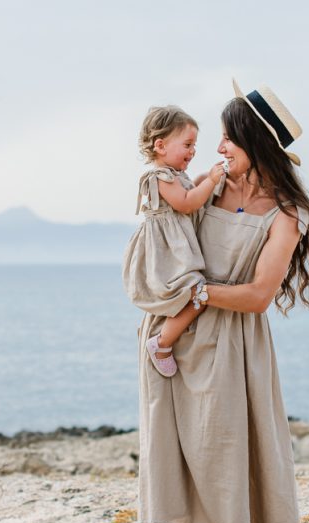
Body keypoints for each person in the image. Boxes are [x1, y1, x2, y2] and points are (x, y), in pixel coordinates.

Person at [139, 79, 309, 523]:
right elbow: (164, 238)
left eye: (228, 137)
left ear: (255, 142)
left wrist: (198, 294)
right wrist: (173, 306)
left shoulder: (286, 213)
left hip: (232, 341)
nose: (219, 147)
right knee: (171, 452)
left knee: (226, 452)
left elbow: (258, 295)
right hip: (170, 334)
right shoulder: (207, 187)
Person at [122, 105, 226, 377]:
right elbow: (187, 203)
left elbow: (192, 194)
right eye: (188, 145)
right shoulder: (159, 177)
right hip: (166, 253)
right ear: (161, 146)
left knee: (196, 294)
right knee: (198, 294)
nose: (193, 151)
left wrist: (206, 180)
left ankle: (166, 337)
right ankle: (162, 343)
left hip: (177, 250)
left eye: (194, 146)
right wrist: (211, 180)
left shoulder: (176, 176)